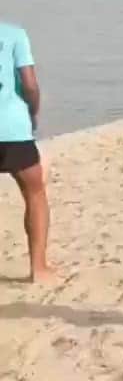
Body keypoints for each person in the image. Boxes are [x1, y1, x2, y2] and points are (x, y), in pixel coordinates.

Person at [0, 22, 49, 283]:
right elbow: (30, 84)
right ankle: (38, 269)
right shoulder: (14, 34)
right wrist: (32, 111)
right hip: (12, 128)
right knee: (35, 193)